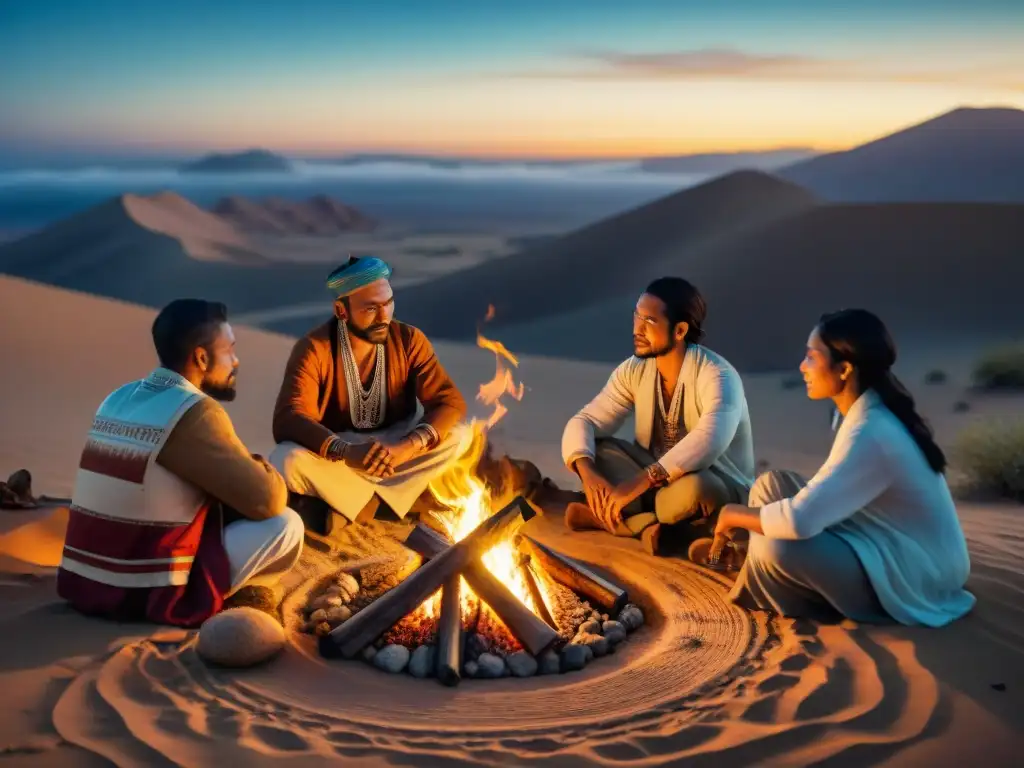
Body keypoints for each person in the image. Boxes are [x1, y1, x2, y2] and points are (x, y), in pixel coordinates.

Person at [700, 309, 975, 626]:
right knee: (769, 486)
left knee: (781, 547)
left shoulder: (872, 432)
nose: (803, 367)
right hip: (886, 542)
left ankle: (765, 569)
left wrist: (731, 514)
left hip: (919, 574)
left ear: (844, 368)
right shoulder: (867, 411)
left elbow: (800, 521)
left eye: (811, 357)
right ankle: (756, 561)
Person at [57, 300, 304, 628]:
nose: (236, 361)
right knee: (285, 526)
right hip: (138, 593)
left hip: (83, 582)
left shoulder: (118, 396)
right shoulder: (192, 411)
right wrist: (253, 462)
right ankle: (225, 599)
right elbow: (268, 500)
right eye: (229, 350)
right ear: (202, 358)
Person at [561, 277, 756, 555]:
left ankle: (623, 522)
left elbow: (710, 438)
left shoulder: (718, 375)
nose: (637, 329)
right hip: (649, 482)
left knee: (693, 490)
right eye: (636, 317)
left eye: (650, 321)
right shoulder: (634, 369)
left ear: (679, 330)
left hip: (713, 483)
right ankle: (658, 527)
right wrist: (588, 473)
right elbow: (585, 421)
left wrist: (637, 484)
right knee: (597, 450)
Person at [269, 256, 468, 529]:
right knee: (285, 459)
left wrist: (406, 447)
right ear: (342, 310)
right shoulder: (314, 348)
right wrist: (347, 451)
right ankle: (392, 502)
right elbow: (289, 417)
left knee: (460, 435)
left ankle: (354, 504)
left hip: (398, 446)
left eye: (388, 304)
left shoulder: (410, 340)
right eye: (371, 308)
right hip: (341, 453)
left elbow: (448, 402)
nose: (384, 316)